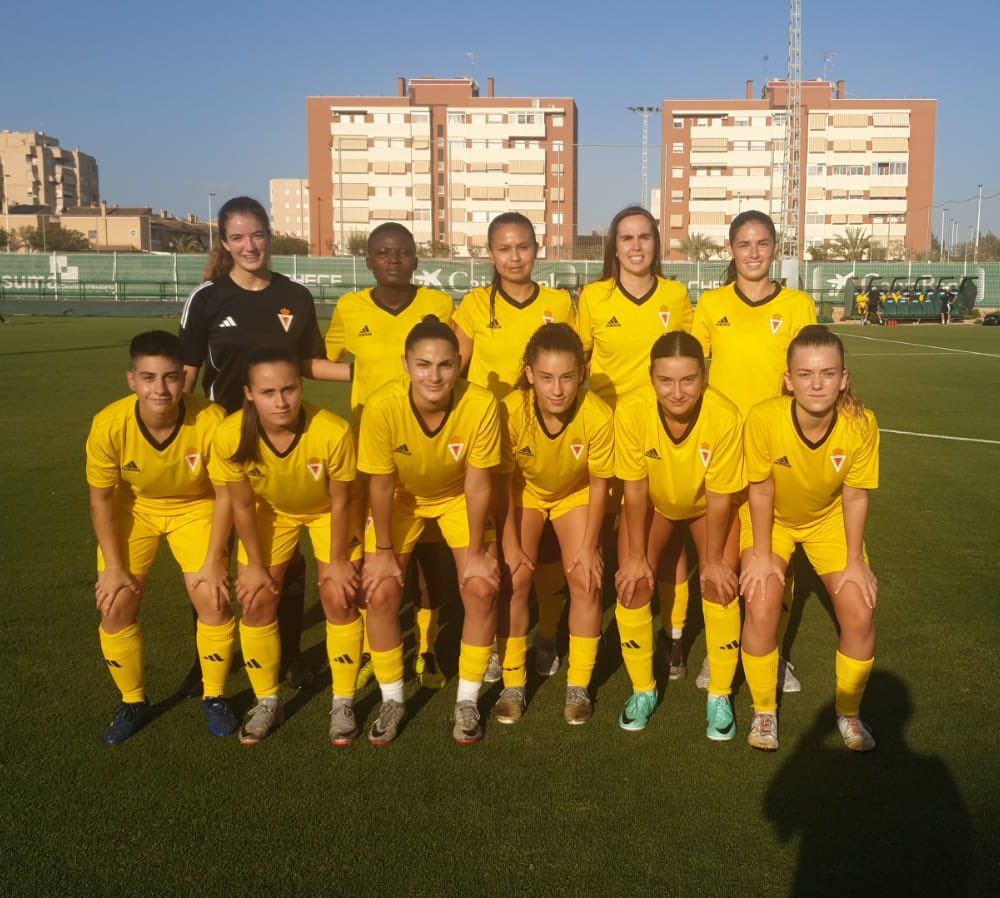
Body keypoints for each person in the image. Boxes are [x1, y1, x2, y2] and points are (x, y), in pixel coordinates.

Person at [178, 195, 344, 694]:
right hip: (223, 443)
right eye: (237, 237)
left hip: (282, 443)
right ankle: (211, 654)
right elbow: (186, 377)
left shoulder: (295, 294)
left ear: (268, 237)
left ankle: (289, 655)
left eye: (257, 235)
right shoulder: (206, 299)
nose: (249, 245)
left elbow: (309, 363)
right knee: (217, 551)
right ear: (224, 243)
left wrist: (372, 372)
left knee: (283, 555)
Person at [86, 331, 236, 744]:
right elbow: (100, 500)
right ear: (131, 379)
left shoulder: (211, 419)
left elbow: (226, 494)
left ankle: (215, 696)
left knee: (214, 597)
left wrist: (213, 560)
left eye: (171, 377)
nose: (161, 388)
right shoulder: (108, 424)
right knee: (115, 603)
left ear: (184, 378)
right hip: (134, 510)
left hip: (196, 507)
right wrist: (114, 568)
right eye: (149, 377)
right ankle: (133, 700)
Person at [323, 222, 456, 691]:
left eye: (402, 251)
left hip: (427, 447)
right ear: (369, 261)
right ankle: (368, 649)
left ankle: (427, 647)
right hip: (370, 453)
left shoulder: (437, 305)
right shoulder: (349, 307)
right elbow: (326, 358)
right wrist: (363, 381)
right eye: (383, 252)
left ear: (416, 259)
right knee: (373, 553)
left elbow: (451, 361)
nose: (393, 258)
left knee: (427, 554)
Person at [692, 209, 817, 694]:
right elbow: (690, 369)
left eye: (762, 243)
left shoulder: (799, 305)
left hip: (775, 449)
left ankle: (772, 651)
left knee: (771, 558)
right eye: (744, 244)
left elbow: (811, 374)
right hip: (723, 450)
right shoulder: (711, 303)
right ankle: (719, 652)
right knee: (721, 555)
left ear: (774, 248)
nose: (753, 253)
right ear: (731, 249)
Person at [359, 317, 501, 745]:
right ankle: (393, 698)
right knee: (381, 589)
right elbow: (380, 484)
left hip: (458, 496)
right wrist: (383, 550)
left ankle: (468, 699)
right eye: (423, 364)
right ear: (405, 364)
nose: (434, 375)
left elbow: (478, 483)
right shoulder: (382, 406)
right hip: (401, 500)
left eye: (444, 365)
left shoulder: (480, 403)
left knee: (480, 586)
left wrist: (477, 551)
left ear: (459, 363)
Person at [210, 347, 362, 745]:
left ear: (301, 387)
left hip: (328, 511)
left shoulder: (332, 430)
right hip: (272, 514)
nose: (280, 401)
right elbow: (242, 503)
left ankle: (343, 701)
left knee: (339, 595)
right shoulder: (229, 434)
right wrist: (255, 565)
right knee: (257, 597)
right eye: (268, 392)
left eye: (289, 389)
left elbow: (344, 500)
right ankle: (267, 701)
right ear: (248, 393)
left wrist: (340, 560)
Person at [739, 325, 879, 752]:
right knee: (762, 602)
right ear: (788, 379)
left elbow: (855, 497)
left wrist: (855, 561)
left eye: (827, 373)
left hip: (827, 521)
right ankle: (764, 711)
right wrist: (763, 555)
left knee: (859, 611)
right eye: (805, 374)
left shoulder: (861, 424)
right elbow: (760, 490)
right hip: (772, 519)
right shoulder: (764, 418)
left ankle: (849, 713)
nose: (816, 383)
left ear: (844, 379)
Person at [453, 212, 577, 680]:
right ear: (491, 254)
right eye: (504, 248)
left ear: (536, 249)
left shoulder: (560, 302)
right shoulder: (473, 305)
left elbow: (571, 366)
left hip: (548, 443)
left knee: (543, 554)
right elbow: (455, 372)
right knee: (503, 553)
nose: (514, 256)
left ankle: (546, 635)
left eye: (523, 246)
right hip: (493, 449)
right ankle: (496, 643)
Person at [578, 204, 695, 679]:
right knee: (603, 533)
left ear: (656, 243)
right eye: (626, 238)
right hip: (607, 435)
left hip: (662, 435)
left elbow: (685, 366)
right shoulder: (592, 297)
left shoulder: (677, 294)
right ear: (614, 246)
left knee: (667, 539)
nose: (636, 246)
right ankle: (584, 625)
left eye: (644, 236)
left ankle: (673, 637)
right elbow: (577, 361)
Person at [614, 332, 745, 736]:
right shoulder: (632, 409)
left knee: (720, 585)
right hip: (654, 506)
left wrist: (715, 560)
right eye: (665, 381)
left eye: (688, 379)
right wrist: (635, 554)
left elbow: (721, 496)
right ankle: (643, 690)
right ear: (651, 378)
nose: (676, 391)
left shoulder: (724, 415)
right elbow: (634, 489)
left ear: (703, 376)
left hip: (709, 507)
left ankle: (720, 695)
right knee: (634, 584)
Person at [494, 323, 614, 724]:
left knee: (586, 577)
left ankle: (578, 685)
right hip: (523, 493)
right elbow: (498, 485)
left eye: (566, 377)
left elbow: (599, 487)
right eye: (546, 378)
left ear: (582, 373)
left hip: (574, 495)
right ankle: (513, 682)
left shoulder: (597, 413)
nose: (557, 389)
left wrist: (588, 546)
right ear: (530, 374)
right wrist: (509, 544)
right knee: (514, 577)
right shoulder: (511, 410)